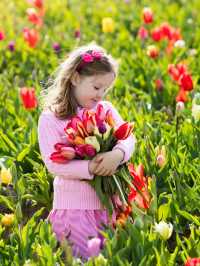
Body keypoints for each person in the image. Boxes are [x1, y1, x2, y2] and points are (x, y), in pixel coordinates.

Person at [37, 42, 136, 262]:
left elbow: (129, 138)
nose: (101, 94)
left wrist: (117, 155)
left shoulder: (106, 110)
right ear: (75, 78)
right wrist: (90, 167)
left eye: (106, 89)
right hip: (75, 210)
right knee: (86, 260)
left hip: (110, 208)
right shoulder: (51, 119)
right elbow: (54, 164)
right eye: (96, 87)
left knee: (114, 258)